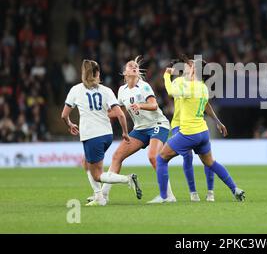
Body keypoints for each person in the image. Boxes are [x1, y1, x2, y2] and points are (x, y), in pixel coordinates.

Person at [149, 59, 245, 203]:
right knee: (211, 162)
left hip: (189, 133)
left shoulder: (189, 87)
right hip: (203, 133)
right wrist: (218, 122)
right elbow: (205, 105)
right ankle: (235, 189)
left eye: (190, 65)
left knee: (161, 158)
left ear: (194, 70)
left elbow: (170, 91)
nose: (186, 66)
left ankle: (164, 196)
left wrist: (166, 76)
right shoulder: (203, 88)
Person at [61, 59, 142, 206]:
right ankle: (98, 195)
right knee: (86, 162)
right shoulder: (107, 91)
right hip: (107, 135)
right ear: (97, 73)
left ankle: (127, 179)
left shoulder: (76, 90)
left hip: (92, 135)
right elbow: (121, 115)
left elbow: (64, 115)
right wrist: (124, 132)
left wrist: (70, 124)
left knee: (97, 175)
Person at [99, 56, 176, 203]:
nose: (134, 66)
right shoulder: (122, 90)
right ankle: (103, 195)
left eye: (135, 66)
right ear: (125, 72)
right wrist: (101, 115)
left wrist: (140, 105)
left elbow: (154, 105)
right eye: (130, 65)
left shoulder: (144, 86)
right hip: (140, 129)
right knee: (117, 156)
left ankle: (168, 196)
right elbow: (117, 111)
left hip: (157, 124)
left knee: (153, 156)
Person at [166, 57, 228, 202]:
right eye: (189, 65)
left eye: (192, 65)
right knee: (187, 156)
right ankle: (193, 193)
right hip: (178, 124)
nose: (190, 67)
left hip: (196, 124)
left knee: (208, 158)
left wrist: (217, 121)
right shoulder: (178, 82)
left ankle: (210, 191)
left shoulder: (198, 85)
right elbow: (171, 93)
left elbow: (206, 104)